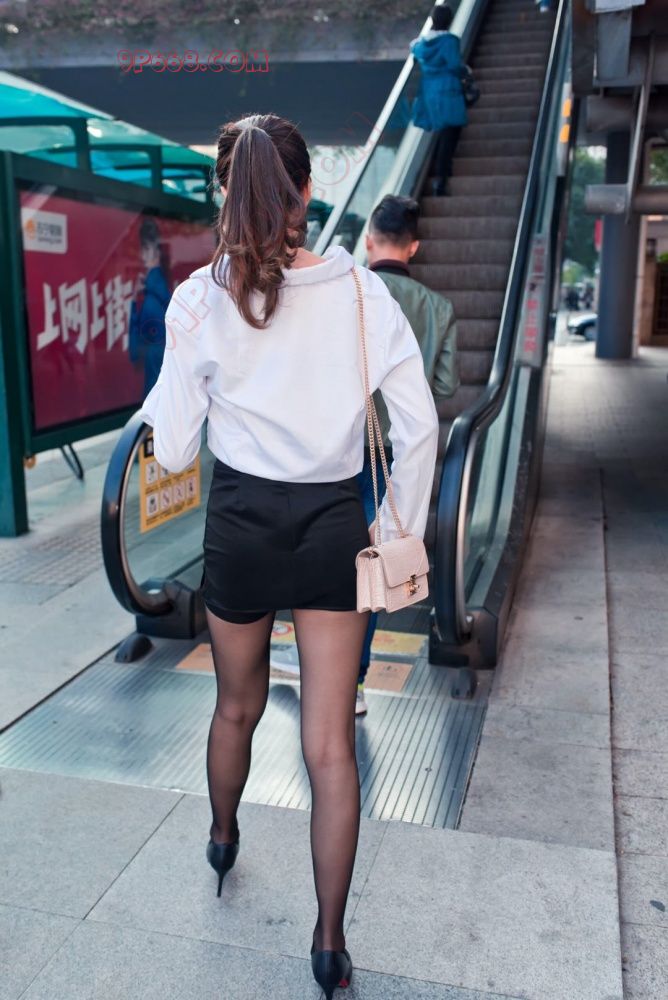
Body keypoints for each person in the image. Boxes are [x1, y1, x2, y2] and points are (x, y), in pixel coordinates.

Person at [137, 114, 439, 998]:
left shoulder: (198, 300)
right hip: (331, 525)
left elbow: (177, 449)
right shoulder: (361, 294)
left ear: (226, 193)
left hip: (239, 522)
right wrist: (396, 527)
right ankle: (329, 941)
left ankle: (223, 835)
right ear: (307, 191)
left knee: (235, 706)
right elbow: (418, 425)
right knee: (329, 743)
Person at [355, 195, 459, 716]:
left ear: (368, 241)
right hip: (394, 456)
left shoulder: (350, 295)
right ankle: (354, 681)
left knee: (328, 556)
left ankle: (322, 666)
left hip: (341, 452)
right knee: (372, 561)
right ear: (413, 247)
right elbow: (445, 384)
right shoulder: (438, 309)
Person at [410, 3, 468, 196]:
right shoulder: (450, 41)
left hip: (429, 92)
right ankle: (441, 180)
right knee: (450, 133)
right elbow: (454, 65)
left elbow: (414, 47)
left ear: (432, 20)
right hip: (448, 90)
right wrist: (466, 71)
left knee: (442, 132)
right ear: (449, 21)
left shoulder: (421, 44)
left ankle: (442, 175)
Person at [129, 217, 172, 394]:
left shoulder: (151, 297)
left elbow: (135, 352)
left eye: (146, 248)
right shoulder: (161, 288)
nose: (143, 255)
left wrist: (133, 303)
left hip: (155, 374)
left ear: (157, 250)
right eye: (143, 248)